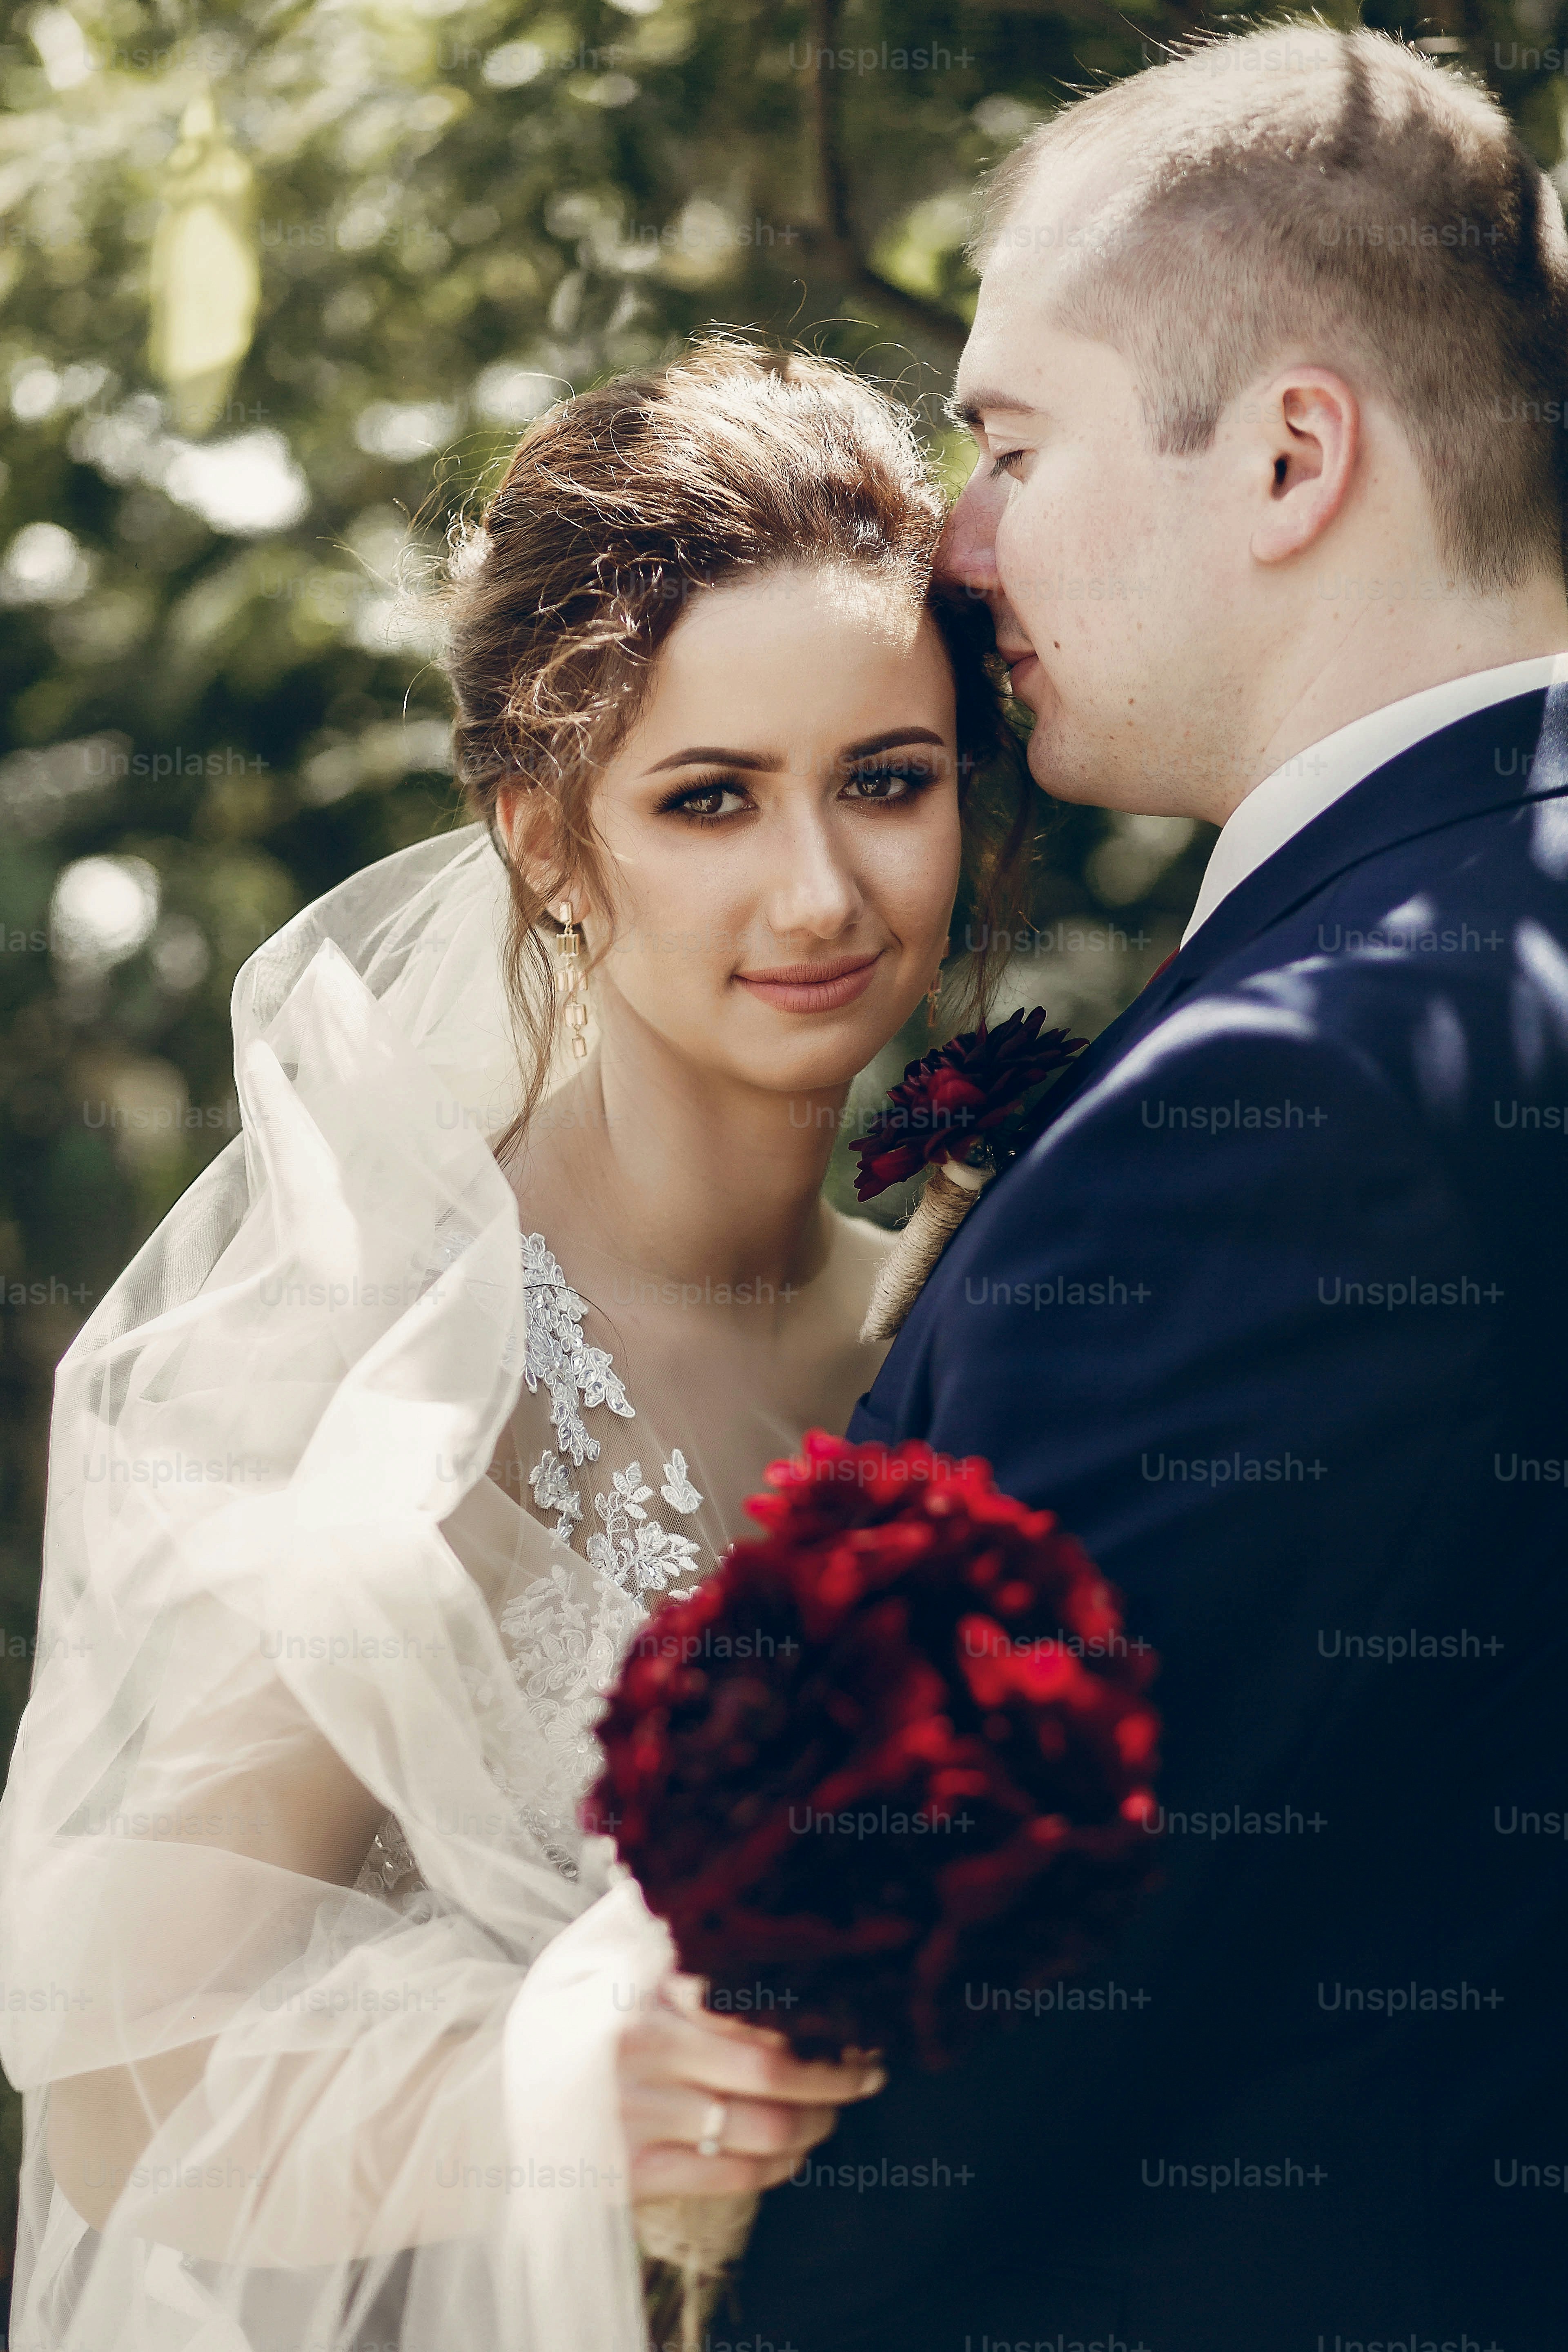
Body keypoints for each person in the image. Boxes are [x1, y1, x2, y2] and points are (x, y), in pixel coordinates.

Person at [0, 343, 1033, 2352]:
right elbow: (120, 2078)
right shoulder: (413, 1380)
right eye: (709, 799)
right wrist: (577, 2090)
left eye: (886, 782)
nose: (819, 890)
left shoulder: (953, 1299)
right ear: (550, 841)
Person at [735, 26, 1568, 2352]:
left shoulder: (1315, 1102)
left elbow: (979, 2031)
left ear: (1296, 453)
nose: (953, 539)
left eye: (1008, 440)